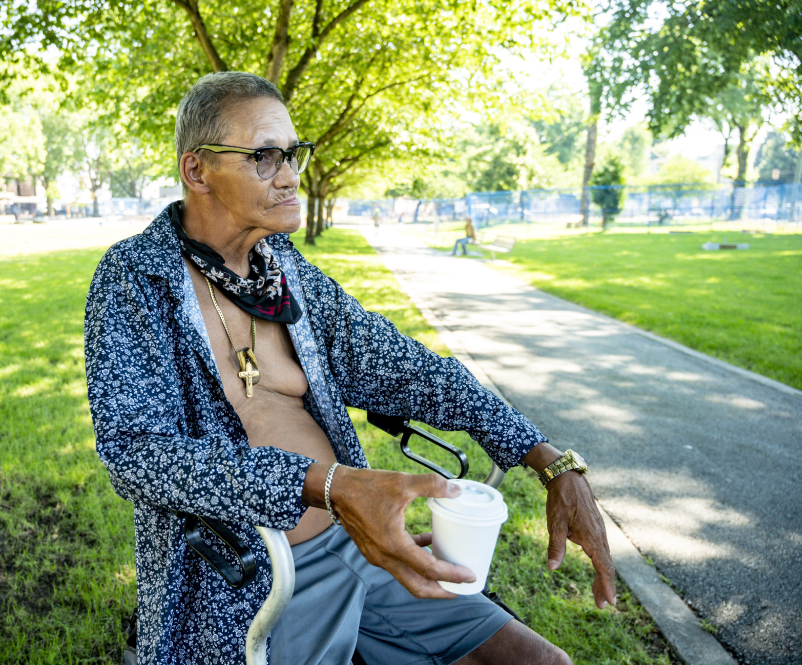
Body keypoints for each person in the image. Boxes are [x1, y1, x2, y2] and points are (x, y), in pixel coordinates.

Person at [84, 72, 616, 665]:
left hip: (363, 543)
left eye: (292, 154)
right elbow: (137, 453)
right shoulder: (135, 277)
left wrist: (547, 459)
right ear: (197, 171)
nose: (289, 175)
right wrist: (329, 485)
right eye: (263, 156)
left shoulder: (282, 268)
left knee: (543, 663)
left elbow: (402, 367)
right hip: (242, 585)